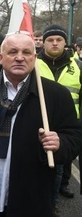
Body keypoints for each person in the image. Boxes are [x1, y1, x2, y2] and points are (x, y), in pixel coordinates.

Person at [0, 32, 82, 216]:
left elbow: (74, 136)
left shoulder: (55, 95)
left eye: (26, 52)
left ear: (34, 57)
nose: (20, 57)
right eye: (13, 52)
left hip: (31, 195)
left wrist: (60, 143)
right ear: (0, 57)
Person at [37, 25, 82, 211]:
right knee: (41, 166)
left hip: (67, 124)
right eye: (50, 40)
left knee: (60, 166)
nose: (54, 43)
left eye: (59, 40)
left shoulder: (77, 66)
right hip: (39, 121)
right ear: (43, 43)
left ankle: (53, 201)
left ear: (66, 43)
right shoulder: (33, 63)